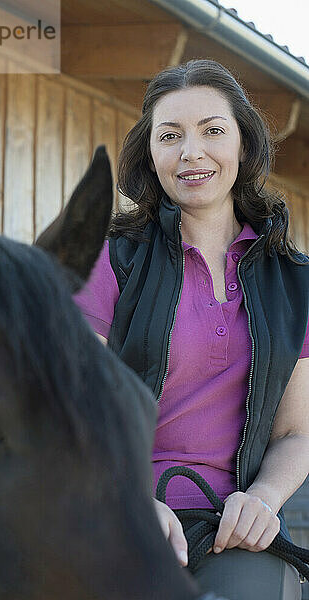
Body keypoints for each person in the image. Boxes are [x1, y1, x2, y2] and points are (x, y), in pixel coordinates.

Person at [73, 59, 309, 599]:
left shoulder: (297, 284)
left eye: (212, 131)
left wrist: (265, 499)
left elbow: (298, 432)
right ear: (151, 155)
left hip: (230, 532)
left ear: (243, 147)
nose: (191, 152)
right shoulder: (108, 260)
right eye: (170, 135)